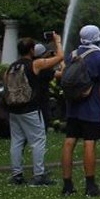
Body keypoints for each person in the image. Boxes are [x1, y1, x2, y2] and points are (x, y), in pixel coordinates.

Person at [60, 24, 100, 197]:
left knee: (69, 142)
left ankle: (67, 185)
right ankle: (90, 186)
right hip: (92, 107)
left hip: (73, 107)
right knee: (89, 143)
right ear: (97, 37)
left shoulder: (72, 55)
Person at [7, 33, 64, 186]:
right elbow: (59, 58)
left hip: (14, 108)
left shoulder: (13, 66)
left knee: (17, 141)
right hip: (30, 108)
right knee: (38, 140)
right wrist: (57, 42)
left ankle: (17, 174)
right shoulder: (34, 64)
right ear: (32, 50)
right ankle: (39, 175)